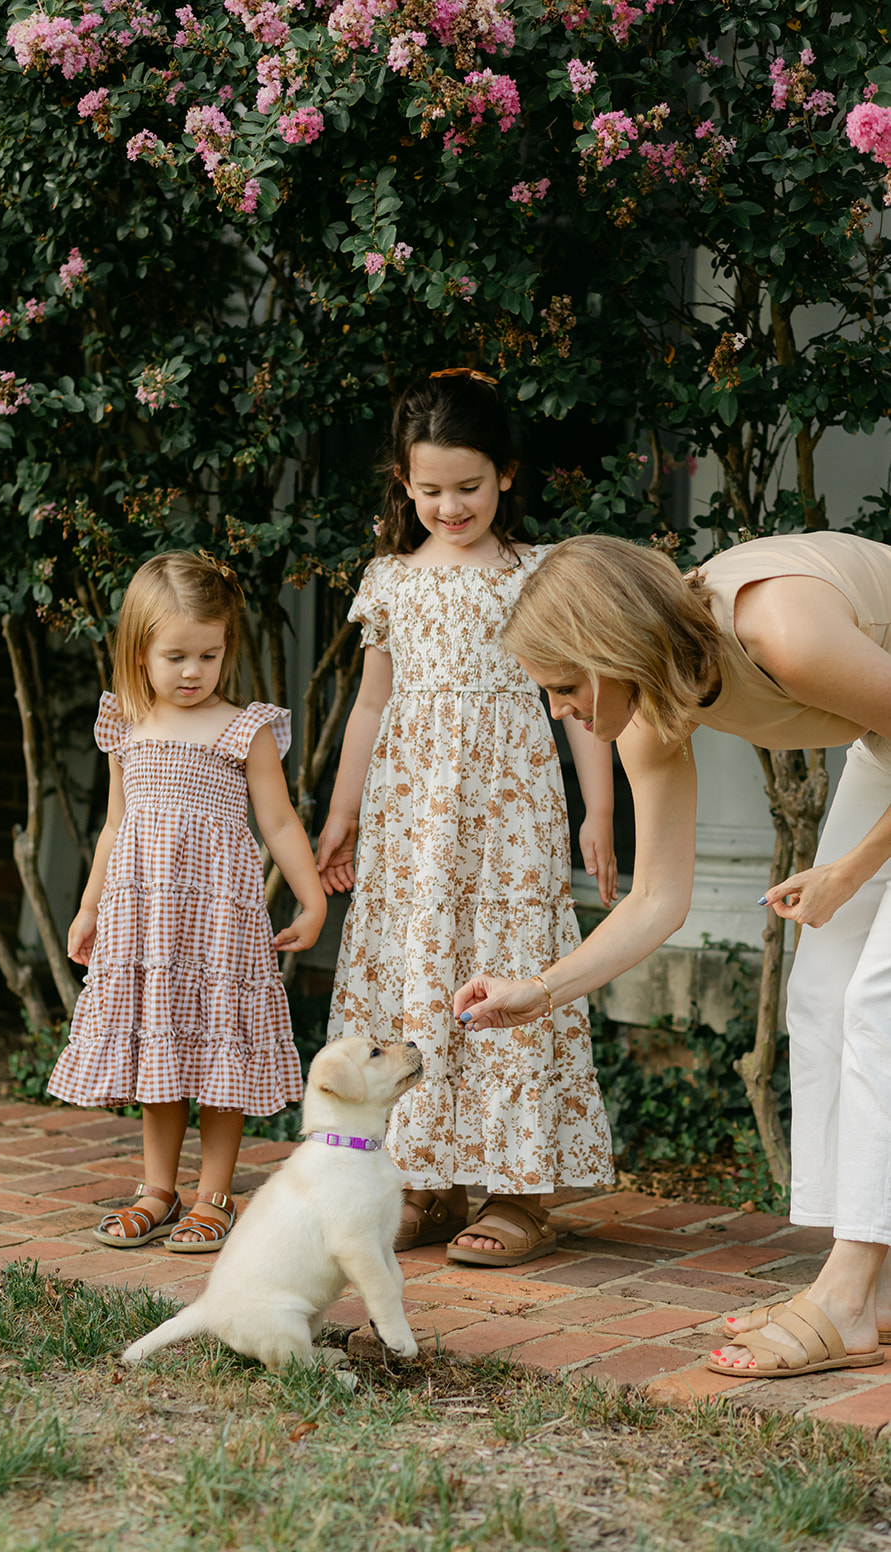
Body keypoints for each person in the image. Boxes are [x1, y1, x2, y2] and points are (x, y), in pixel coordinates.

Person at [455, 528, 891, 1376]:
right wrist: (537, 990)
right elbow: (657, 897)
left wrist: (848, 870)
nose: (558, 711)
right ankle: (872, 1289)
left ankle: (843, 1295)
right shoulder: (651, 712)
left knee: (878, 1002)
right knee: (820, 992)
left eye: (560, 686)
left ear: (608, 649)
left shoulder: (780, 632)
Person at [316, 370, 617, 1269]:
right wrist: (342, 815)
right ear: (404, 485)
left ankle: (519, 1193)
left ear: (507, 475)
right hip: (415, 823)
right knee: (419, 971)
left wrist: (599, 807)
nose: (450, 505)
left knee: (508, 967)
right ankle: (424, 1180)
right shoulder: (389, 581)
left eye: (469, 487)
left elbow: (584, 691)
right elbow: (370, 708)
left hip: (509, 819)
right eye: (431, 489)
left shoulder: (539, 573)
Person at [49, 550, 326, 1252]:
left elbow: (280, 821)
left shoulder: (244, 728)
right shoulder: (126, 726)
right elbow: (114, 826)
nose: (194, 671)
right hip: (145, 925)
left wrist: (312, 901)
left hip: (217, 925)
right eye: (175, 655)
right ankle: (157, 1189)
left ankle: (214, 1195)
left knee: (220, 1055)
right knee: (161, 1053)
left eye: (209, 653)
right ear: (139, 652)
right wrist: (88, 907)